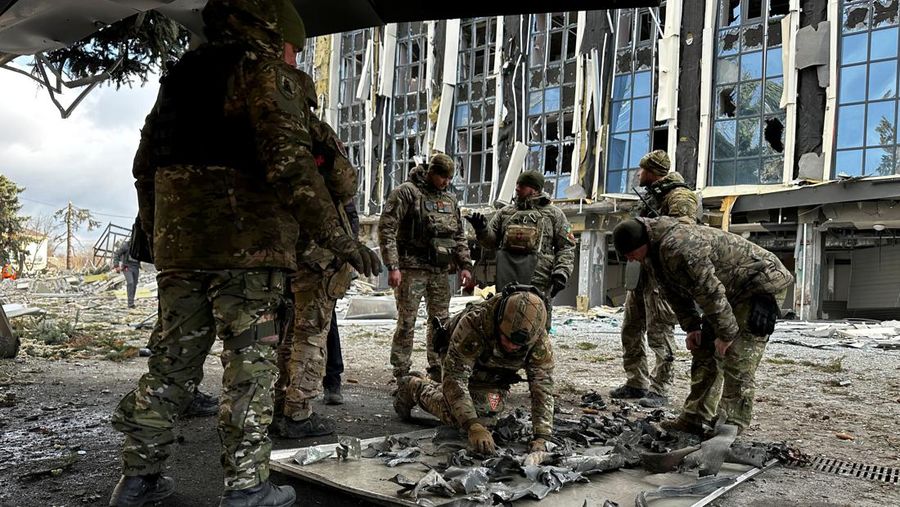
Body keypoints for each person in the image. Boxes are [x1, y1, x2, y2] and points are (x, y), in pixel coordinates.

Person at [109, 1, 380, 506]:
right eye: (295, 48)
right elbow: (291, 167)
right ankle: (246, 488)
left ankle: (138, 479)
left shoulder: (180, 80)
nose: (296, 58)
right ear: (276, 35)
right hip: (247, 251)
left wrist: (154, 232)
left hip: (182, 252)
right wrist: (341, 239)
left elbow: (143, 164)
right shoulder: (267, 76)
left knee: (171, 364)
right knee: (250, 369)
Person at [612, 217, 793, 436]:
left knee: (737, 356)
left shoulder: (680, 246)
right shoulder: (653, 254)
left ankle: (731, 424)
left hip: (759, 285)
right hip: (727, 291)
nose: (630, 259)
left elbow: (709, 291)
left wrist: (726, 334)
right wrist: (692, 328)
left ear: (643, 243)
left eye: (631, 254)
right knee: (704, 352)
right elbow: (674, 293)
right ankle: (695, 417)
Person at [273, 60, 359, 438]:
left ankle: (280, 404)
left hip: (280, 247)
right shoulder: (312, 132)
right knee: (311, 333)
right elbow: (345, 184)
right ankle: (299, 413)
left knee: (287, 331)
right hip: (318, 247)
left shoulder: (262, 130)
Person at [393, 286, 553, 454]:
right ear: (499, 321)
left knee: (488, 415)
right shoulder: (475, 323)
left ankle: (436, 389)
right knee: (459, 419)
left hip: (495, 375)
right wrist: (472, 425)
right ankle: (414, 386)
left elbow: (542, 386)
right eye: (507, 338)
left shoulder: (539, 341)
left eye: (518, 345)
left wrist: (542, 436)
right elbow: (455, 378)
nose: (511, 346)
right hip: (458, 364)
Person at [610, 150, 700, 408]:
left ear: (652, 171)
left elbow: (683, 234)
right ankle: (636, 382)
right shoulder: (650, 195)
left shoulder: (680, 197)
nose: (638, 174)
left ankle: (660, 388)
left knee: (659, 331)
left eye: (641, 170)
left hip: (660, 276)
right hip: (639, 272)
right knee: (631, 328)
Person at [378, 154, 474, 383]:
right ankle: (401, 371)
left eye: (450, 177)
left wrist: (465, 265)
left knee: (441, 321)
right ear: (431, 171)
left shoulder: (450, 200)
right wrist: (393, 266)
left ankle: (437, 367)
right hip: (411, 268)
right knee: (407, 321)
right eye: (442, 176)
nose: (446, 181)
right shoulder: (407, 193)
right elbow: (387, 229)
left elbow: (458, 235)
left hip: (440, 270)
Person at [467, 170, 575, 326]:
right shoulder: (505, 213)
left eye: (523, 186)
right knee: (506, 321)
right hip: (508, 278)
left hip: (538, 280)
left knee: (536, 323)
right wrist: (482, 230)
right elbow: (490, 243)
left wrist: (561, 273)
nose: (517, 188)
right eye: (517, 184)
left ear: (535, 190)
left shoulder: (553, 214)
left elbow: (566, 247)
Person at [113, 238, 141, 308]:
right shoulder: (126, 245)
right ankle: (130, 304)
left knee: (134, 285)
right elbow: (117, 254)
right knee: (130, 283)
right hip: (127, 267)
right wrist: (116, 266)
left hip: (136, 267)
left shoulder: (140, 247)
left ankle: (132, 302)